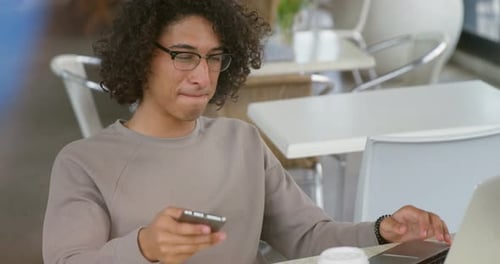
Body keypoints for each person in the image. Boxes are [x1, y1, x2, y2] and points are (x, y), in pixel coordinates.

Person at [43, 0, 451, 263]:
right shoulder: (84, 163)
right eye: (184, 56)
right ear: (140, 56)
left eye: (215, 58)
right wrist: (144, 247)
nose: (203, 76)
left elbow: (309, 236)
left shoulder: (242, 142)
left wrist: (382, 231)